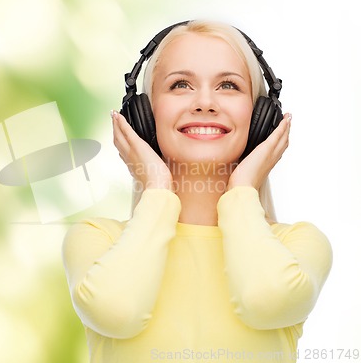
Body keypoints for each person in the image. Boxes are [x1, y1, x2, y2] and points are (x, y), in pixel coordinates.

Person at [62, 20, 332, 363]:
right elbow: (119, 310)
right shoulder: (96, 240)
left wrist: (242, 189)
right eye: (181, 84)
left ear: (262, 117)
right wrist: (157, 188)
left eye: (228, 86)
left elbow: (265, 299)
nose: (205, 102)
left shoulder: (298, 246)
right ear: (143, 114)